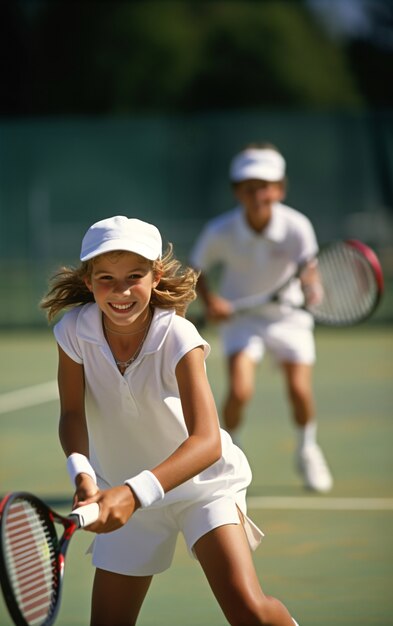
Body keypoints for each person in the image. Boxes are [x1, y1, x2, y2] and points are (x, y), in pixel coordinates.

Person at [40, 215, 300, 626]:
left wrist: (133, 492)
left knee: (251, 612)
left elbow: (207, 442)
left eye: (134, 276)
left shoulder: (178, 335)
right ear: (88, 281)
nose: (121, 291)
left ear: (156, 275)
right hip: (121, 490)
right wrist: (83, 475)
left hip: (202, 487)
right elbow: (71, 414)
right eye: (106, 278)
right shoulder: (72, 332)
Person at [189, 143, 333, 494]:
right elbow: (196, 269)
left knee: (299, 390)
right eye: (249, 188)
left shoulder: (297, 226)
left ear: (280, 189)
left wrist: (312, 289)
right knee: (239, 391)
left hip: (288, 318)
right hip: (244, 320)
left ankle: (307, 449)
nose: (258, 195)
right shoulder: (220, 231)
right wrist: (212, 300)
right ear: (238, 192)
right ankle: (226, 454)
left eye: (266, 186)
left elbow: (308, 271)